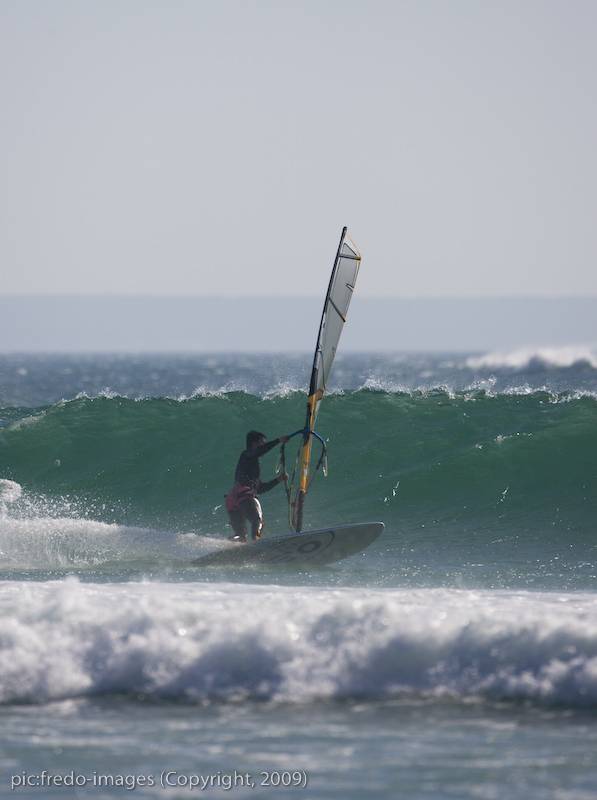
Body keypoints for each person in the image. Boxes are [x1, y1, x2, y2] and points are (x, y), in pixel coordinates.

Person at [225, 430, 289, 542]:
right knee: (257, 521)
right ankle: (256, 543)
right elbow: (259, 451)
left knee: (240, 537)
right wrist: (278, 441)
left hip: (232, 499)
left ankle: (227, 547)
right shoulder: (247, 454)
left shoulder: (250, 464)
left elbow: (259, 489)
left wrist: (278, 480)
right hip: (243, 496)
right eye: (262, 443)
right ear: (254, 444)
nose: (264, 446)